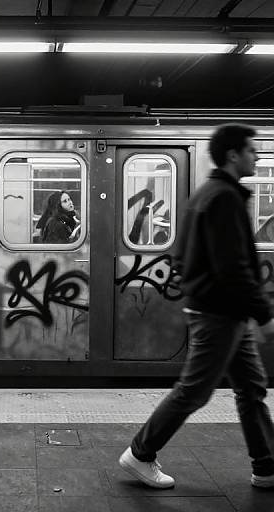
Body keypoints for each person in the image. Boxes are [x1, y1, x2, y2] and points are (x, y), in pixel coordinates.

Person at [119, 124, 274, 489]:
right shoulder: (223, 198)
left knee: (251, 388)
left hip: (225, 312)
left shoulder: (208, 194)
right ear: (233, 155)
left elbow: (181, 257)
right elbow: (233, 265)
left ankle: (266, 466)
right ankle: (140, 453)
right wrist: (263, 313)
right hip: (219, 314)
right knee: (194, 390)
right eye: (252, 151)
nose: (257, 156)